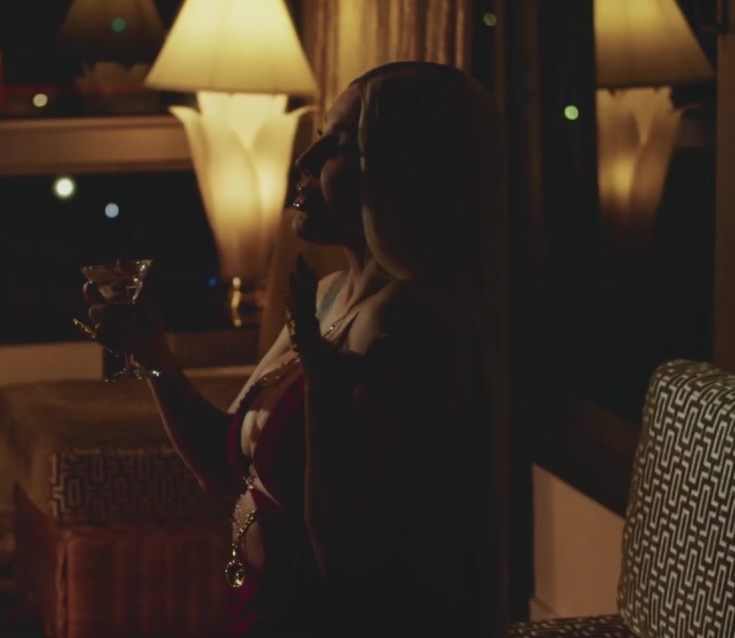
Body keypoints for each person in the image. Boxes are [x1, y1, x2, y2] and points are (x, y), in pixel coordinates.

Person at [84, 62, 506, 637]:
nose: (306, 160)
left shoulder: (406, 323)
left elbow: (349, 556)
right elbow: (221, 467)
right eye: (319, 136)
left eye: (339, 145)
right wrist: (153, 355)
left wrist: (324, 381)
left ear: (403, 172)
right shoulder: (328, 296)